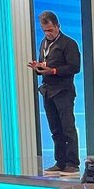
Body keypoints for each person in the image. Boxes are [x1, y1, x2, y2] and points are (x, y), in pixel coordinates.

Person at [28, 11, 81, 175]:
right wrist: (38, 68)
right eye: (44, 30)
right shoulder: (43, 43)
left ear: (58, 26)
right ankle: (60, 162)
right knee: (55, 128)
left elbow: (75, 67)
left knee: (67, 127)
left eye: (50, 30)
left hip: (63, 90)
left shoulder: (69, 43)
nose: (48, 33)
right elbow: (44, 65)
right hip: (47, 90)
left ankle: (72, 163)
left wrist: (54, 70)